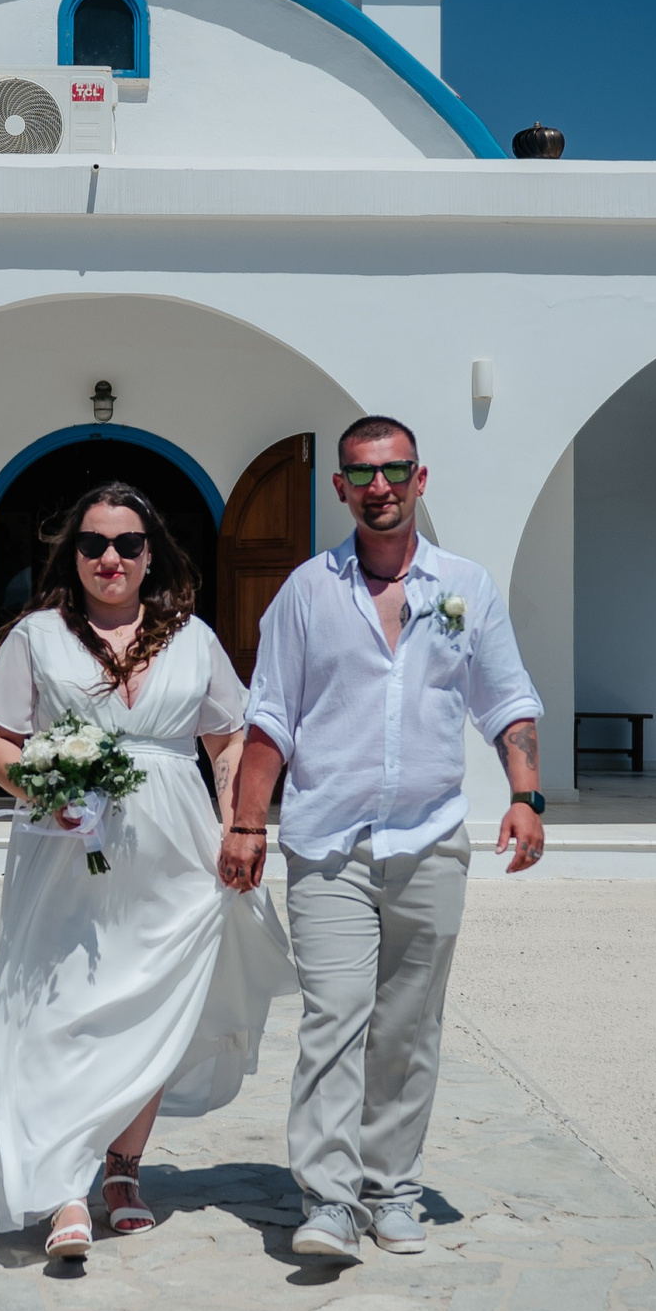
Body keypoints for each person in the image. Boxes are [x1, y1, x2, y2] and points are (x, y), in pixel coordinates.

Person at [220, 416, 547, 1261]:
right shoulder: (305, 591)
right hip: (328, 841)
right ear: (340, 486)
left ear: (420, 477)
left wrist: (525, 795)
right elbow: (269, 716)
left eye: (395, 470)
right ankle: (327, 1200)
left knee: (409, 1024)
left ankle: (390, 1186)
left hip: (431, 841)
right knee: (334, 1015)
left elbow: (506, 699)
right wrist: (248, 822)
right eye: (363, 473)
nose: (380, 486)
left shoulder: (465, 586)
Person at [0, 483, 294, 1260]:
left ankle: (123, 1167)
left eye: (127, 544)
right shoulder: (36, 637)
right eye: (93, 544)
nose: (110, 557)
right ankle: (61, 1186)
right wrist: (48, 787)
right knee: (59, 1004)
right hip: (68, 849)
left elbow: (228, 742)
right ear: (71, 555)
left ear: (152, 555)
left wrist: (239, 827)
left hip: (176, 852)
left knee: (153, 1005)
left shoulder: (194, 639)